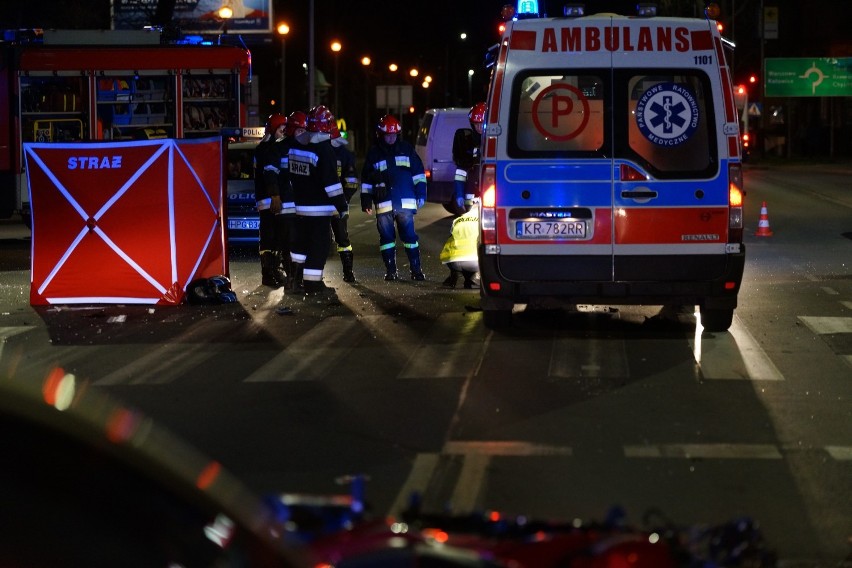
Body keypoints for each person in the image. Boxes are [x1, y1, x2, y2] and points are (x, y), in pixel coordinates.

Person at [288, 105, 349, 295]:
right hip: (318, 209)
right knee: (319, 246)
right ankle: (313, 285)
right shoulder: (324, 149)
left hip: (299, 207)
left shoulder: (297, 144)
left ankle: (294, 280)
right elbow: (331, 184)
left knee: (300, 246)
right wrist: (342, 206)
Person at [361, 115, 428, 281]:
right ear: (380, 134)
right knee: (387, 240)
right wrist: (366, 201)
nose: (391, 138)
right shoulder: (374, 154)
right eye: (387, 135)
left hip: (405, 203)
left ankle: (416, 271)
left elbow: (419, 174)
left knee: (410, 238)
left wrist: (421, 194)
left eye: (393, 135)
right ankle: (391, 271)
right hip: (383, 203)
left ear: (398, 134)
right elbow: (366, 180)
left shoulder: (407, 149)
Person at [254, 112, 289, 288]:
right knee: (270, 238)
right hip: (270, 199)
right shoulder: (269, 149)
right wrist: (275, 195)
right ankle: (269, 273)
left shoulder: (263, 147)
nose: (283, 133)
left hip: (267, 198)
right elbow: (269, 174)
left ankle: (271, 272)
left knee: (272, 238)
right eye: (281, 129)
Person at [329, 125, 359, 283]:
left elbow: (352, 181)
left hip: (338, 204)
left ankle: (348, 272)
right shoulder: (321, 152)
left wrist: (344, 199)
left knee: (342, 238)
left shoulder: (345, 155)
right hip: (322, 205)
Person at [451, 101, 487, 213]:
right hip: (470, 201)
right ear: (472, 124)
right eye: (476, 124)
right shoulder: (467, 143)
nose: (479, 127)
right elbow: (460, 174)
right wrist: (459, 195)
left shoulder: (497, 143)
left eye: (482, 123)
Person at [439, 201, 480, 289]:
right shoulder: (487, 219)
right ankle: (476, 278)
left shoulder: (458, 219)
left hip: (452, 260)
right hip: (475, 262)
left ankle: (457, 275)